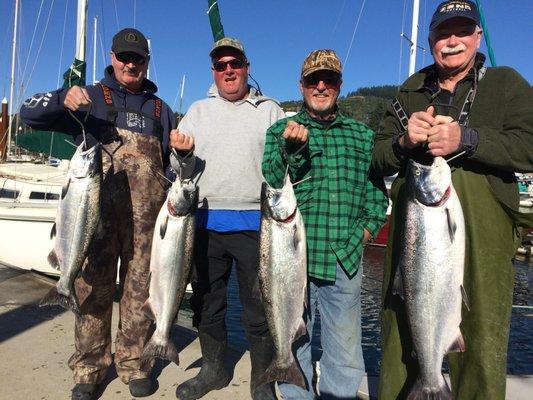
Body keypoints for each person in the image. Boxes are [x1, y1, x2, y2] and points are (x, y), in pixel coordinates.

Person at [371, 1, 533, 399]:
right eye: (443, 33)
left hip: (486, 232)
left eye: (462, 31)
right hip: (415, 230)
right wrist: (402, 141)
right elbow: (375, 157)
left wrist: (470, 140)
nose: (452, 41)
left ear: (478, 37)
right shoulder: (409, 90)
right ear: (430, 41)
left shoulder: (506, 84)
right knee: (400, 332)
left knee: (480, 341)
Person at [20, 28, 178, 400]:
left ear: (146, 63)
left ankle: (134, 363)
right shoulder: (90, 96)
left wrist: (184, 159)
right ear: (112, 57)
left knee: (140, 295)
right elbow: (29, 113)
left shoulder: (161, 110)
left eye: (137, 58)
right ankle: (90, 367)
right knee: (91, 291)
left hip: (144, 225)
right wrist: (63, 98)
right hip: (93, 222)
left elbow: (174, 164)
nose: (130, 64)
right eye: (124, 56)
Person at [262, 49, 388, 400]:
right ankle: (296, 392)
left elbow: (377, 197)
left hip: (343, 257)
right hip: (292, 261)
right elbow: (272, 180)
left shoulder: (363, 136)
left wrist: (362, 235)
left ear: (339, 86)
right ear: (301, 86)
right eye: (313, 80)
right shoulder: (279, 131)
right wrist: (291, 150)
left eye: (328, 80)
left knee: (345, 351)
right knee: (295, 339)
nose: (321, 86)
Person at [169, 37, 285, 400]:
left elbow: (284, 165)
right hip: (203, 226)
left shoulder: (270, 110)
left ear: (247, 67)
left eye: (235, 63)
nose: (229, 70)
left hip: (257, 225)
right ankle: (214, 370)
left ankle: (263, 379)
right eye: (221, 65)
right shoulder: (198, 111)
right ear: (214, 72)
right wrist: (181, 153)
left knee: (259, 308)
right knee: (207, 303)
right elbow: (178, 168)